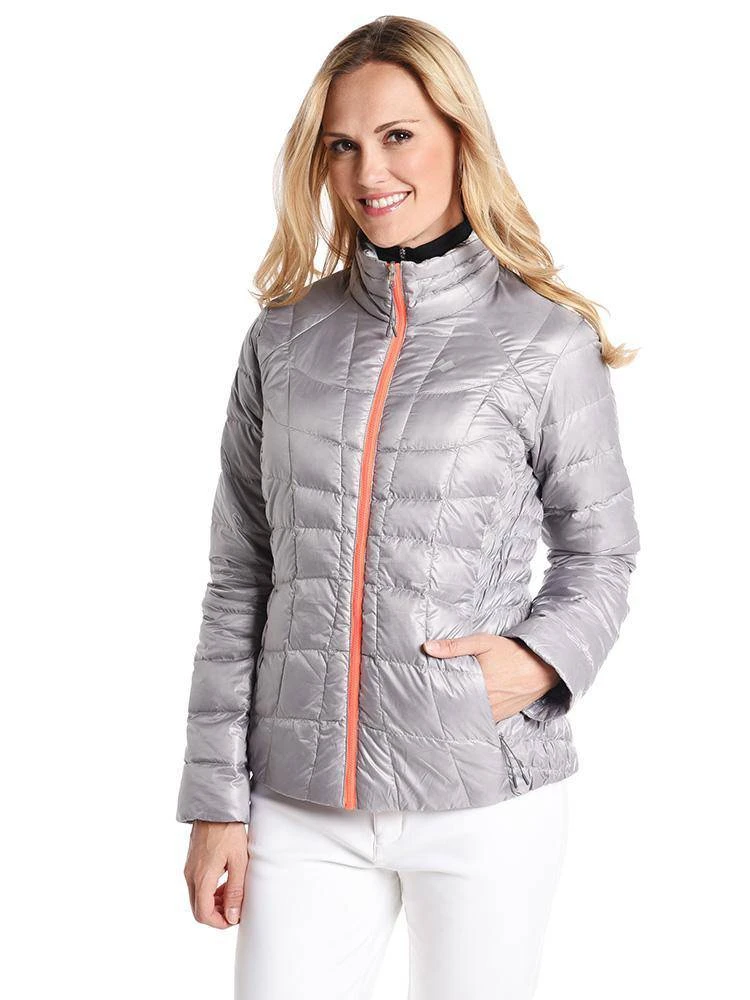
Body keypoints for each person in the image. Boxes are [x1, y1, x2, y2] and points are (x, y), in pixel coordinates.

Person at [177, 15, 640, 1000]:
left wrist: (540, 661)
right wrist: (215, 799)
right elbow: (240, 575)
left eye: (398, 136)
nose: (369, 172)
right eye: (342, 145)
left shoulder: (544, 342)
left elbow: (601, 551)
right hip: (299, 800)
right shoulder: (283, 340)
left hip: (483, 793)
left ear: (460, 136)